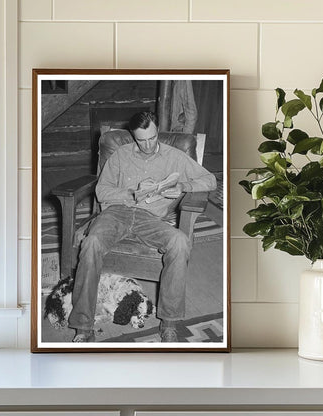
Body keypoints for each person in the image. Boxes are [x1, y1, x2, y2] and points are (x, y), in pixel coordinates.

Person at [68, 111, 217, 342]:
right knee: (92, 242)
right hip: (116, 213)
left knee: (179, 241)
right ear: (133, 136)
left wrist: (183, 187)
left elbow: (210, 180)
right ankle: (83, 326)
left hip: (151, 219)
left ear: (157, 131)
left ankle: (169, 322)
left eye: (153, 138)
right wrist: (131, 192)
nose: (148, 145)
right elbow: (101, 190)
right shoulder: (120, 155)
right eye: (141, 140)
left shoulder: (175, 156)